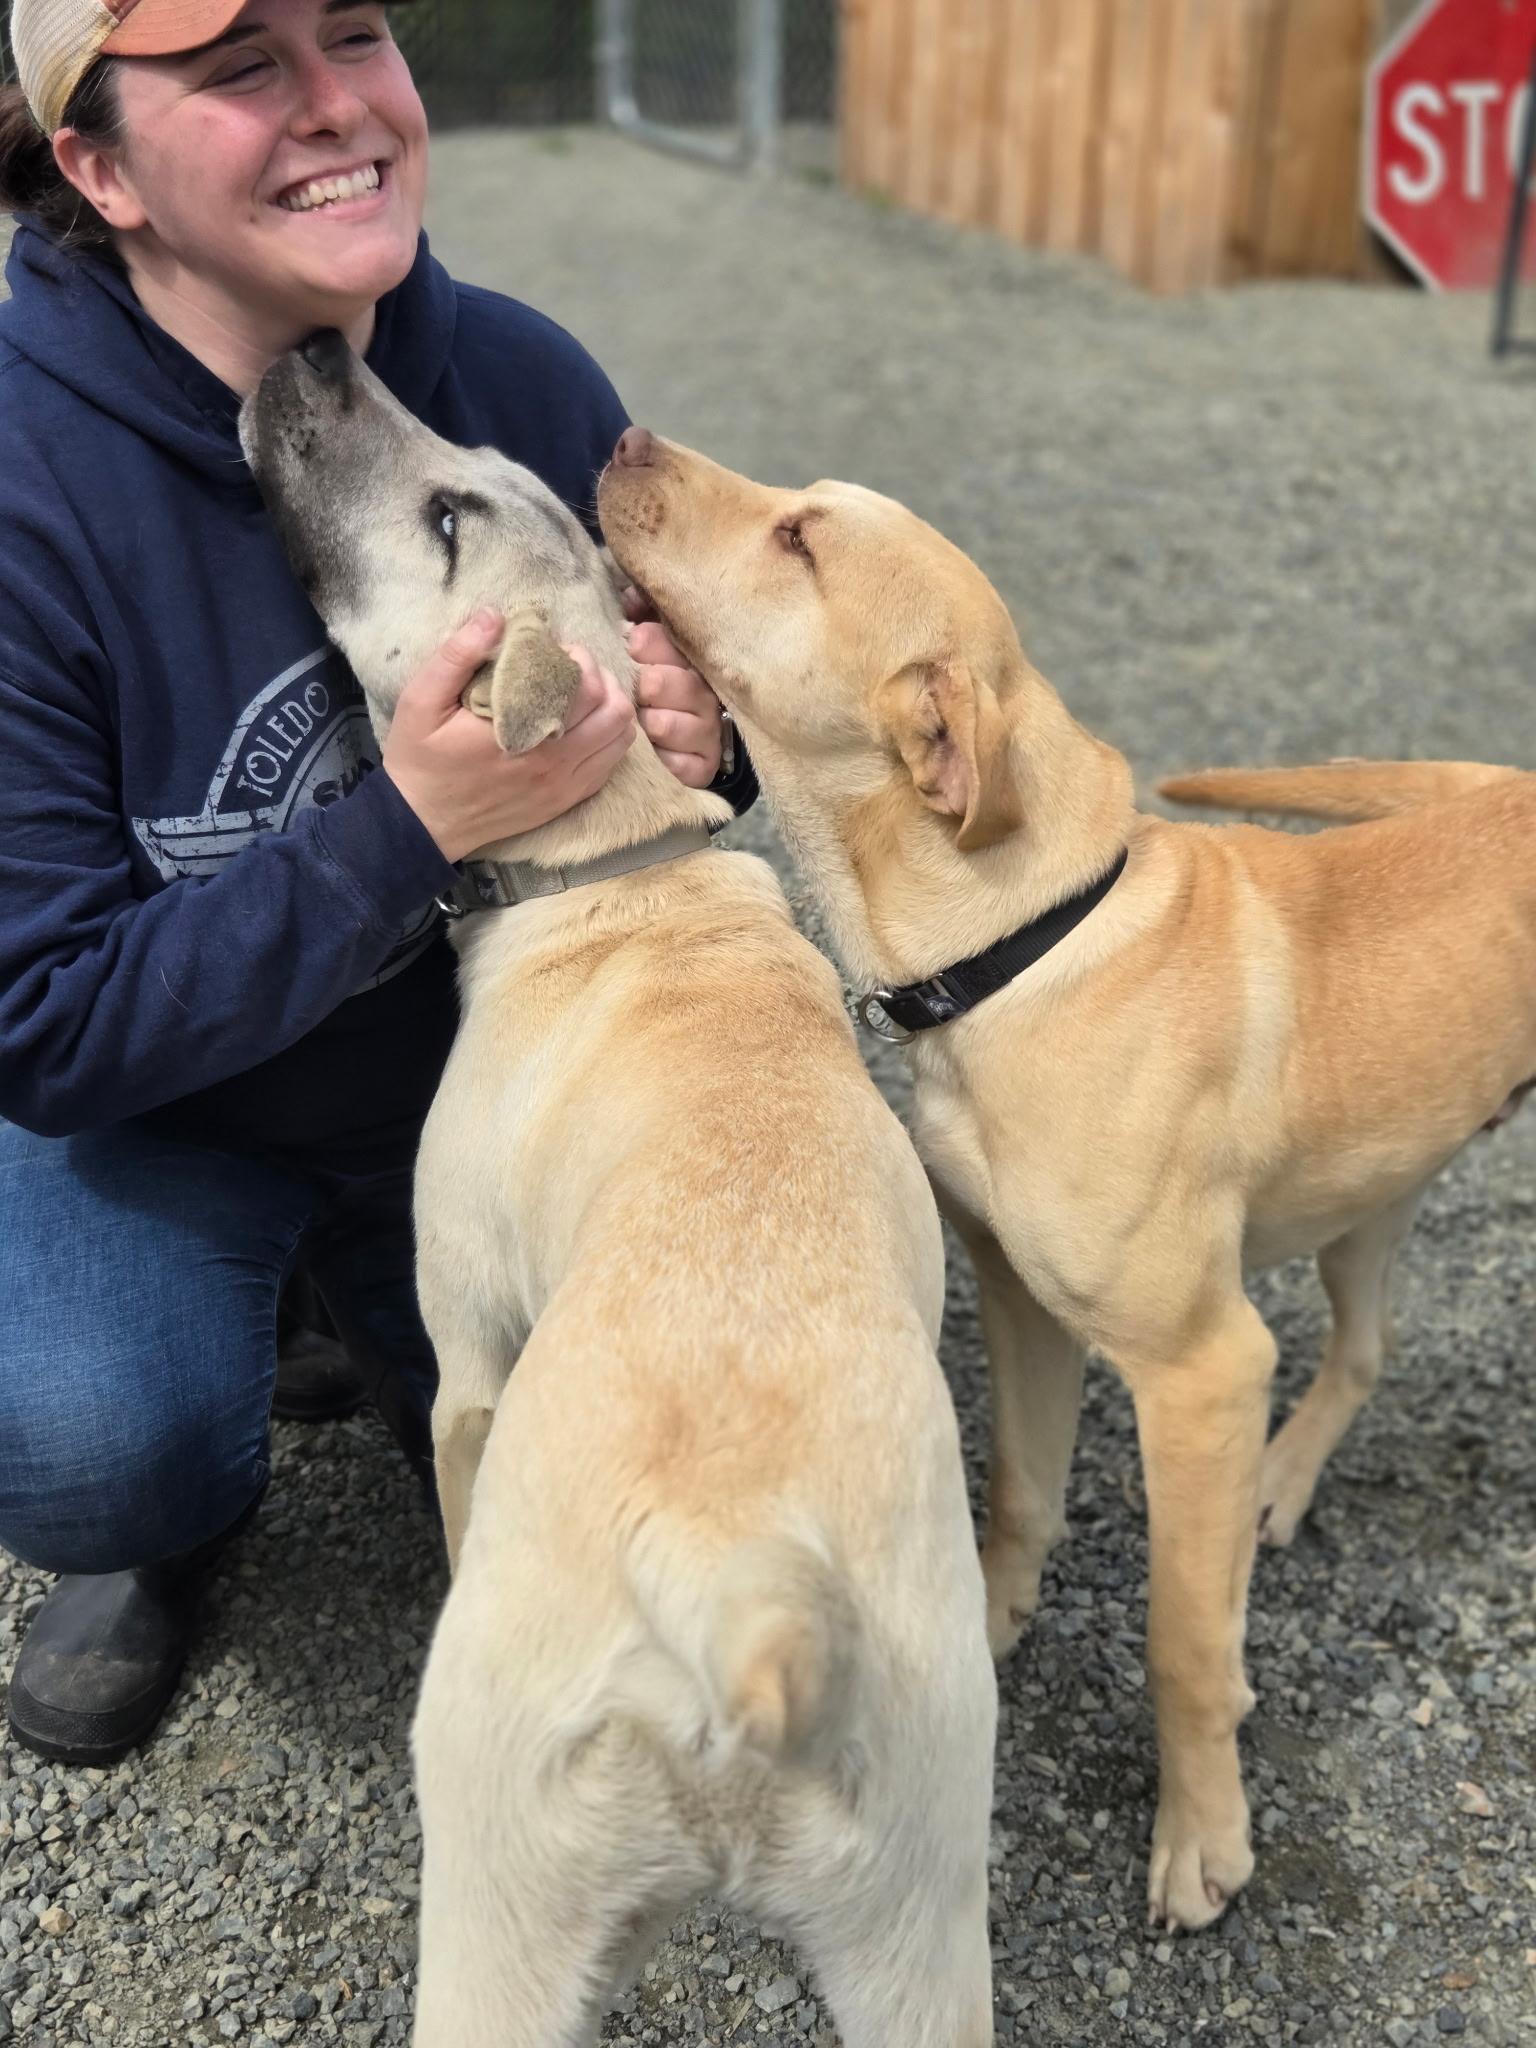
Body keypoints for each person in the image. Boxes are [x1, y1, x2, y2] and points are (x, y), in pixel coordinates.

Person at [0, 0, 755, 1767]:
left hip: (482, 1081)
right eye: (242, 64)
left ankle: (368, 1290)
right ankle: (194, 1477)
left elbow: (709, 744)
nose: (340, 103)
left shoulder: (523, 379)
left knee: (671, 1463)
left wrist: (695, 731)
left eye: (356, 31)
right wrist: (402, 826)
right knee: (90, 1434)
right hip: (171, 1103)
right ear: (98, 166)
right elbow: (35, 1013)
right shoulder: (22, 491)